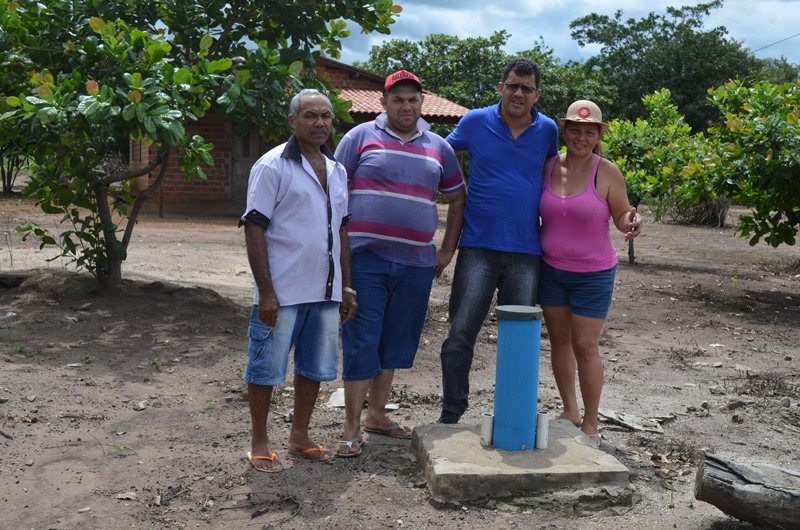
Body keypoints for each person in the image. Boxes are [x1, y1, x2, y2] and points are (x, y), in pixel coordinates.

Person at [334, 70, 466, 456]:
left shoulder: (439, 147)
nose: (406, 106)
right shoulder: (358, 138)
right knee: (361, 338)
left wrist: (445, 252)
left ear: (422, 103)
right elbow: (335, 194)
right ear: (384, 103)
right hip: (365, 260)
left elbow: (458, 198)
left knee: (394, 339)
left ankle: (377, 415)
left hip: (415, 264)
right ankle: (351, 428)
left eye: (413, 99)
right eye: (398, 99)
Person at [240, 88, 358, 472]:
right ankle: (259, 439)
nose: (320, 123)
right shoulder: (272, 166)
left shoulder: (338, 170)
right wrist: (267, 292)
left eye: (325, 116)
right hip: (282, 292)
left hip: (325, 290)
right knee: (265, 369)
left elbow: (341, 231)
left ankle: (299, 435)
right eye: (310, 116)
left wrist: (347, 286)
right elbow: (254, 228)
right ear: (293, 122)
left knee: (314, 367)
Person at [438, 57, 559, 424]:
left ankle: (512, 415)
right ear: (500, 88)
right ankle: (452, 411)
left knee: (518, 341)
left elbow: (555, 174)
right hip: (478, 246)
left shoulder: (548, 130)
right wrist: (453, 187)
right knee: (460, 333)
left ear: (537, 94)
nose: (518, 93)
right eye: (512, 85)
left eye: (526, 88)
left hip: (526, 250)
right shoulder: (475, 121)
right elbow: (443, 152)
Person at [538, 100, 642, 447]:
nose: (581, 137)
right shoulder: (549, 165)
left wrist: (632, 222)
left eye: (589, 131)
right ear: (563, 130)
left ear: (600, 134)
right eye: (575, 129)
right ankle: (570, 410)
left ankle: (591, 420)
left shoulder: (607, 171)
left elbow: (621, 215)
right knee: (560, 342)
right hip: (551, 270)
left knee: (585, 345)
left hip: (593, 274)